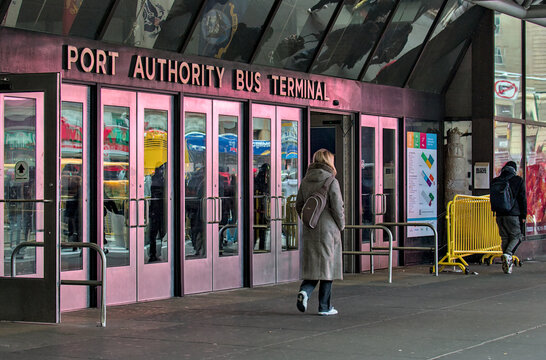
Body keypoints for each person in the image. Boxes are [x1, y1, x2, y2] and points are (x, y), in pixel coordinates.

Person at [295, 149, 345, 316]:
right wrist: (341, 225)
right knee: (327, 268)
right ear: (329, 161)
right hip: (328, 230)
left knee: (315, 266)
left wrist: (310, 219)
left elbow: (299, 205)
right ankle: (325, 306)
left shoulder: (305, 180)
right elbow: (338, 207)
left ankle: (305, 291)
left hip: (311, 228)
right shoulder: (331, 181)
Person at [491, 161, 527, 274]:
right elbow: (522, 199)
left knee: (505, 237)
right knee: (518, 236)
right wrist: (524, 215)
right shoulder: (518, 180)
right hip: (513, 214)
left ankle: (507, 264)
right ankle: (508, 254)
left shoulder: (496, 181)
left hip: (499, 214)